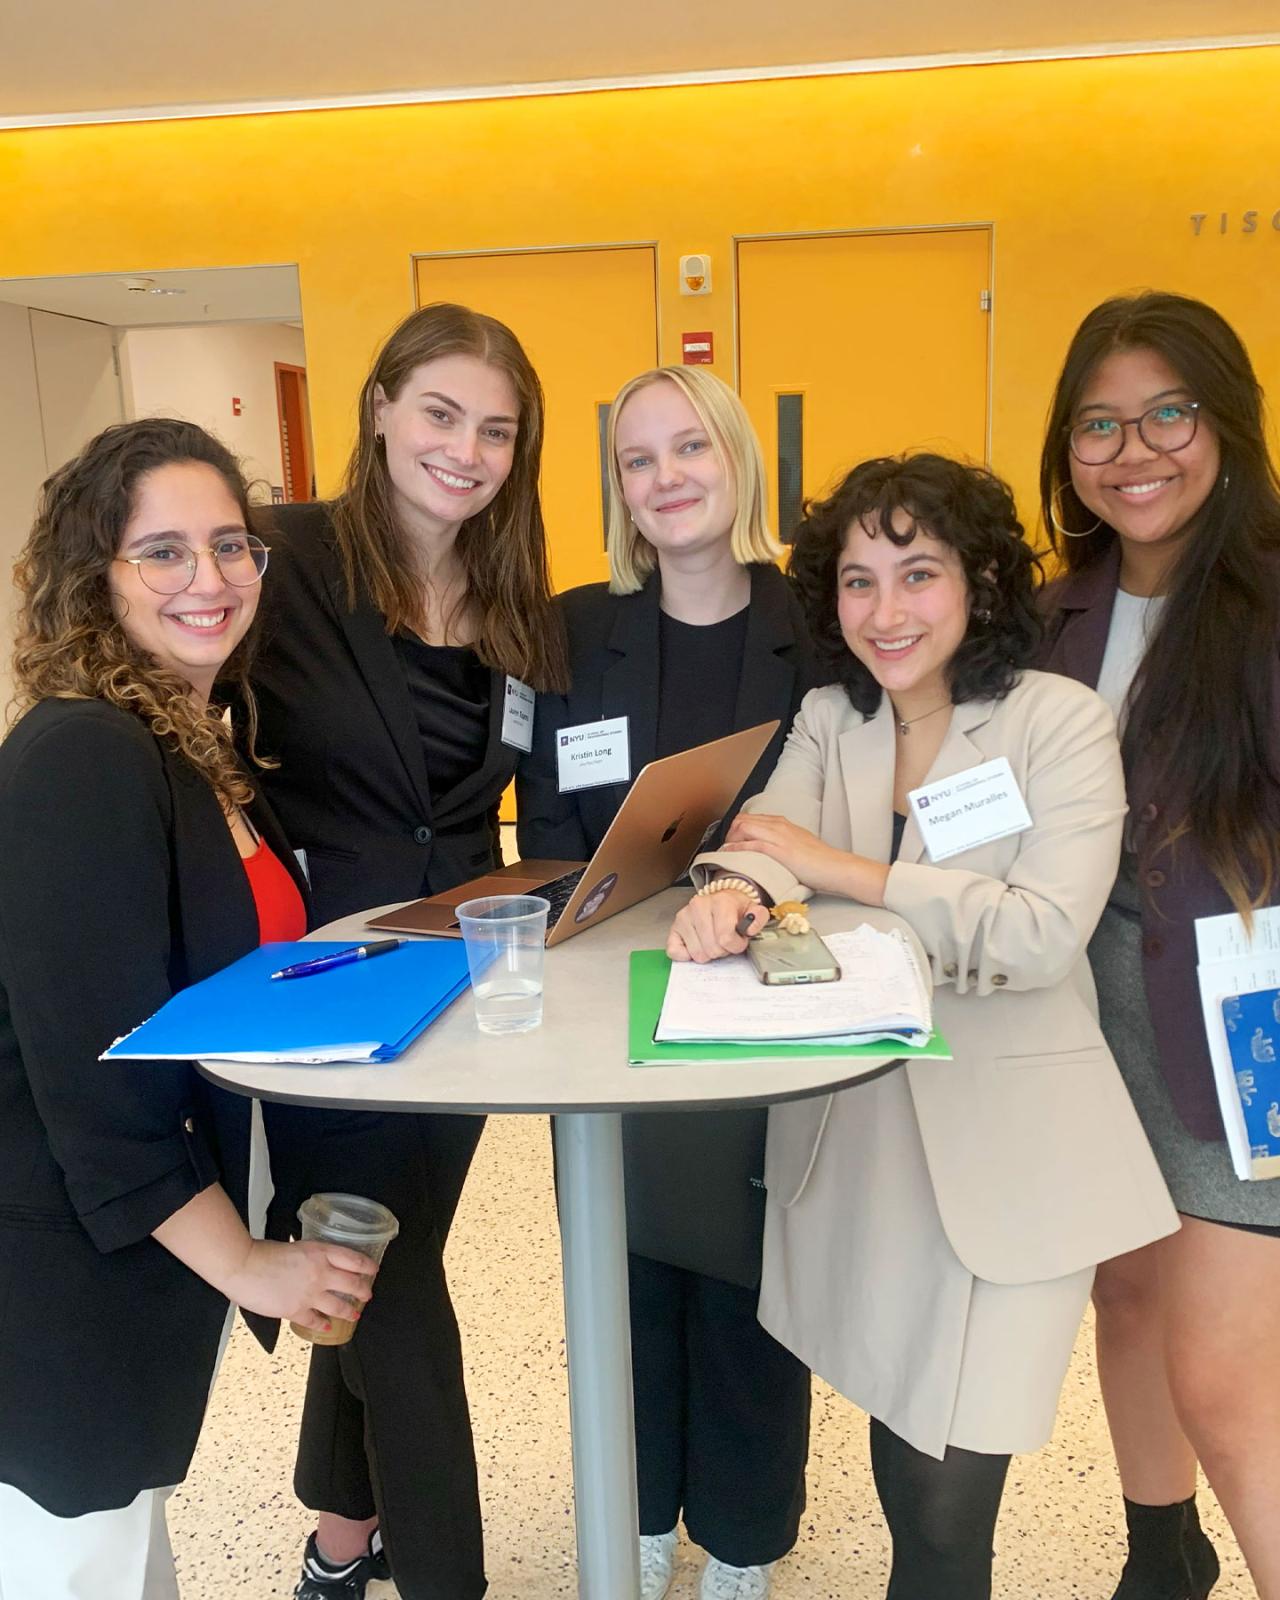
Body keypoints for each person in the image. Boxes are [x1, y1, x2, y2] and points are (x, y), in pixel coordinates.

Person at [667, 452, 1178, 1600]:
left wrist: (840, 870)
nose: (884, 611)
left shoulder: (1057, 721)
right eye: (857, 580)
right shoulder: (827, 716)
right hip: (861, 1144)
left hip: (1012, 1151)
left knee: (948, 1505)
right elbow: (765, 837)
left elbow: (1037, 933)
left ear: (980, 580)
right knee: (902, 1447)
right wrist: (735, 889)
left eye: (917, 573)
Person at [0, 419, 376, 1600]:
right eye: (161, 551)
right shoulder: (84, 755)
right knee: (70, 1560)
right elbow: (101, 1080)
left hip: (132, 1257)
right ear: (95, 577)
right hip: (56, 1270)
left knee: (124, 1551)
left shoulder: (188, 737)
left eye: (229, 545)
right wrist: (251, 1265)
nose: (207, 577)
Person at [242, 302, 568, 1600]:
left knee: (376, 1263)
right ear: (378, 407)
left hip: (464, 983)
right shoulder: (282, 560)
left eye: (496, 430)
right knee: (391, 1276)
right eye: (439, 412)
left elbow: (511, 793)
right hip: (327, 984)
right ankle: (446, 1575)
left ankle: (341, 1535)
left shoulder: (513, 596)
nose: (465, 450)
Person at [518, 365, 818, 1600]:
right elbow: (544, 822)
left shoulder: (816, 624)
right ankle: (637, 1518)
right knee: (623, 1270)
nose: (665, 477)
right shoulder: (573, 628)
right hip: (609, 999)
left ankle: (741, 1539)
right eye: (636, 459)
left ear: (736, 456)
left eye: (688, 447)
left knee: (752, 1280)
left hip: (767, 994)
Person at [1038, 290, 1280, 1600]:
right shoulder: (1050, 617)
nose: (1133, 451)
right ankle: (1159, 1554)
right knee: (1124, 1296)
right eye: (1099, 424)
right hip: (1088, 1008)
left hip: (1246, 1023)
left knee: (1228, 1386)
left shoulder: (1268, 600)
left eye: (1167, 414)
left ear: (1225, 422)